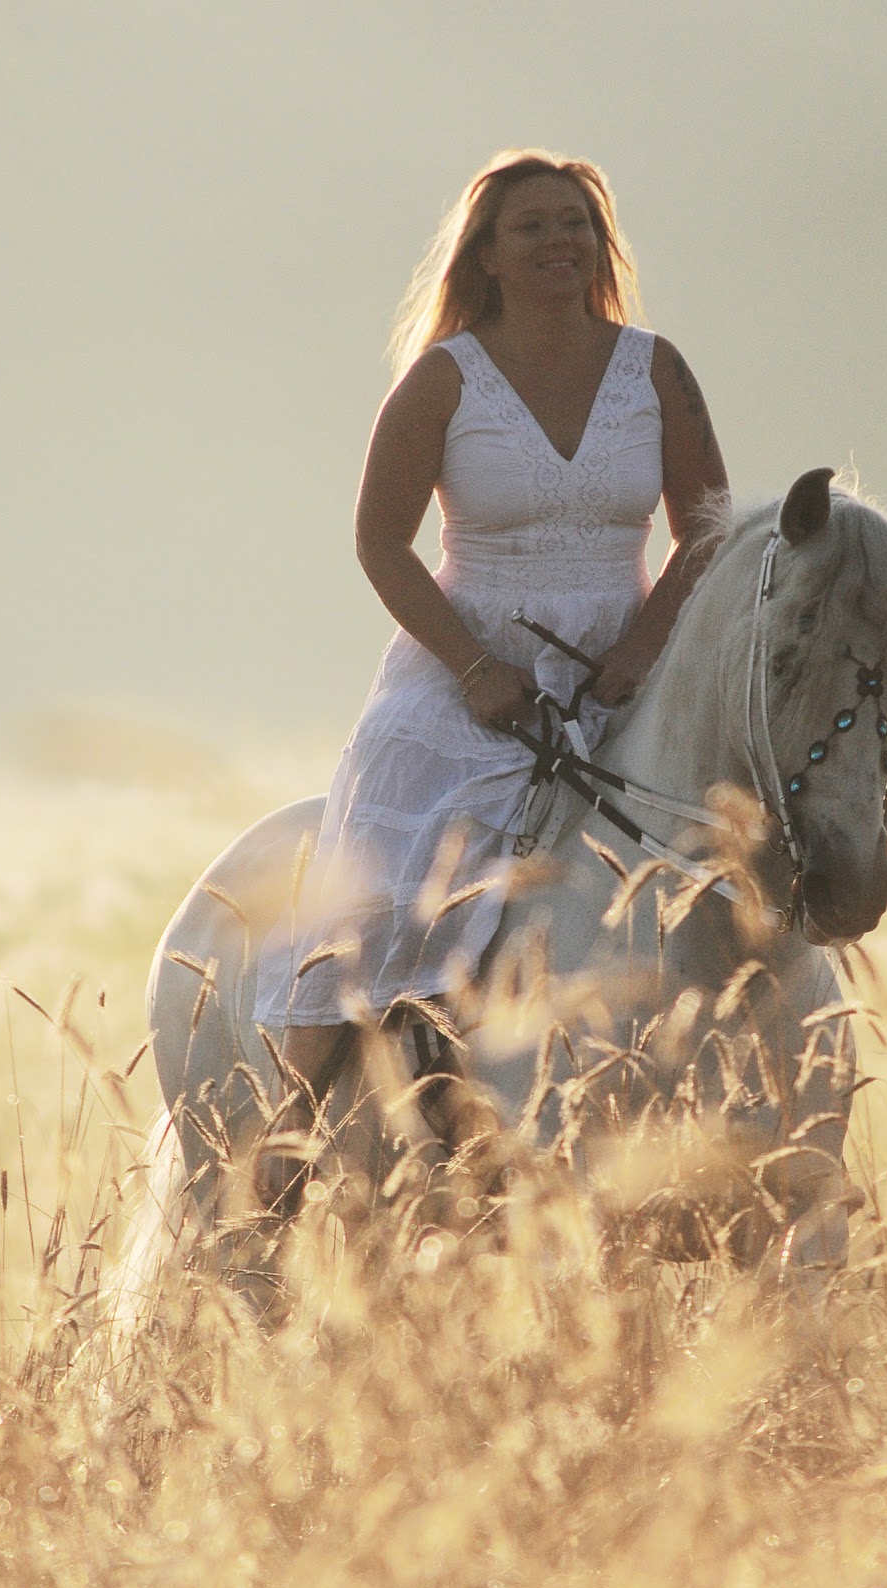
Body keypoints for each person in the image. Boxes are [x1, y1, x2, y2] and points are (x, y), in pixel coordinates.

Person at [252, 148, 728, 1201]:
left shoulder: (655, 369)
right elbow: (382, 541)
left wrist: (636, 656)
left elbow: (703, 531)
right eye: (533, 227)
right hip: (464, 676)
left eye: (576, 225)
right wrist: (473, 669)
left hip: (626, 658)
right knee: (398, 874)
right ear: (488, 254)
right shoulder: (445, 376)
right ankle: (296, 1144)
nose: (560, 242)